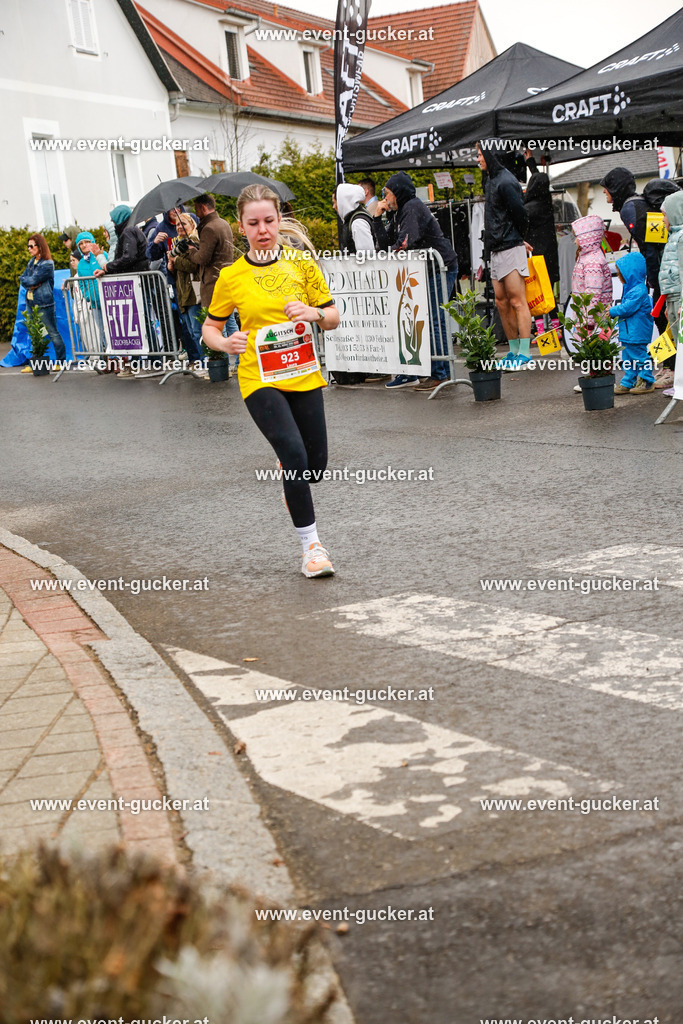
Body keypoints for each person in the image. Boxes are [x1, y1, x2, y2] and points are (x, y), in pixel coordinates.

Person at [202, 184, 340, 579]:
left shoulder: (302, 264)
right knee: (295, 456)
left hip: (303, 372)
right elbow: (209, 329)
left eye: (268, 220)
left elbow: (332, 317)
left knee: (314, 467)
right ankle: (312, 549)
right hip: (258, 377)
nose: (262, 229)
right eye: (253, 223)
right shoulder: (232, 276)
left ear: (279, 220)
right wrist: (224, 343)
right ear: (241, 226)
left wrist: (313, 313)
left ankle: (289, 467)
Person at [374, 171, 458, 391]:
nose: (385, 198)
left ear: (398, 192)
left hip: (440, 267)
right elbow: (387, 243)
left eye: (387, 193)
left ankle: (440, 373)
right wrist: (377, 219)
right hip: (428, 269)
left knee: (435, 319)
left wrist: (388, 253)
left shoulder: (412, 207)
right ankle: (440, 371)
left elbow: (405, 243)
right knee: (431, 318)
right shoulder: (400, 211)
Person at [600, 168, 680, 334]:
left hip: (663, 271)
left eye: (606, 186)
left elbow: (648, 246)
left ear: (616, 187)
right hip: (666, 268)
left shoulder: (628, 209)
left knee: (663, 318)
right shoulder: (635, 204)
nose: (603, 191)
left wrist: (654, 281)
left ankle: (672, 351)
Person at [476, 140, 532, 371]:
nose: (478, 158)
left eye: (480, 154)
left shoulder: (507, 181)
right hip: (496, 248)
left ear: (491, 155)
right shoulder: (491, 180)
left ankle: (525, 353)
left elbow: (521, 214)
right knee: (501, 302)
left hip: (510, 247)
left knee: (517, 301)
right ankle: (514, 350)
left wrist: (518, 238)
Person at [330, 183, 380, 387]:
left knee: (370, 327)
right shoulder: (353, 219)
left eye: (335, 201)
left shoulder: (357, 222)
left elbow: (366, 257)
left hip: (364, 286)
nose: (334, 206)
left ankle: (376, 369)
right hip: (358, 286)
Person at [523, 149, 560, 337]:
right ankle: (557, 328)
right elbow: (540, 180)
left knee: (535, 294)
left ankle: (540, 331)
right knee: (549, 292)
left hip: (535, 255)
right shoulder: (547, 203)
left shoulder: (528, 208)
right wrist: (531, 163)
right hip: (550, 255)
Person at [20, 234, 68, 367]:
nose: (29, 249)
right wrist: (31, 283)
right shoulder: (31, 262)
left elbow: (33, 280)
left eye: (31, 246)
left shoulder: (47, 264)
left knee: (52, 333)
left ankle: (61, 362)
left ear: (39, 246)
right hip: (30, 302)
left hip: (44, 303)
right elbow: (23, 279)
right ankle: (36, 363)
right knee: (35, 334)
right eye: (28, 246)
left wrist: (31, 282)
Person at [610, 252, 655, 394]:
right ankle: (629, 381)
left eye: (620, 273)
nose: (619, 276)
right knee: (628, 358)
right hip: (629, 333)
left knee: (640, 357)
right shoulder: (631, 289)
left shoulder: (639, 290)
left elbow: (627, 308)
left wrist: (612, 311)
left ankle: (646, 380)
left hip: (637, 333)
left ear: (630, 273)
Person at [167, 213, 205, 370]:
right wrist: (171, 267)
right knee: (191, 331)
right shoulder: (178, 244)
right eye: (177, 224)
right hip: (183, 293)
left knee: (197, 331)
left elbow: (193, 265)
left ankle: (205, 362)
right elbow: (178, 271)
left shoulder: (194, 241)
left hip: (193, 292)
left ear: (192, 224)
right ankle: (200, 362)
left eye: (183, 223)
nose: (179, 227)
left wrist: (175, 260)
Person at [185, 193, 234, 309]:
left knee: (215, 318)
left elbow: (202, 258)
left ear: (203, 207)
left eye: (196, 209)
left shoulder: (209, 228)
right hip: (227, 280)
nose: (196, 213)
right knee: (229, 317)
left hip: (213, 284)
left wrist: (192, 250)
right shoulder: (224, 223)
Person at [657, 191, 683, 393]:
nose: (663, 220)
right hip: (673, 298)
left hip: (679, 299)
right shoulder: (673, 237)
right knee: (679, 344)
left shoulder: (681, 238)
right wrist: (667, 302)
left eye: (665, 215)